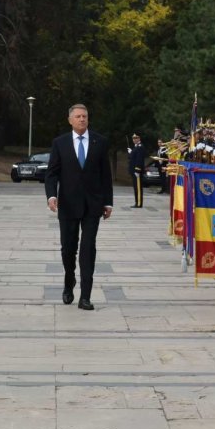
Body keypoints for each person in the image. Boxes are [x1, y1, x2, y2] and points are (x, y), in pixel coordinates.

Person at [44, 103, 113, 310]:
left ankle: (85, 296)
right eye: (78, 116)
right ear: (70, 120)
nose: (82, 119)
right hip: (68, 204)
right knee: (68, 249)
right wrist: (51, 196)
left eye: (85, 116)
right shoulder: (60, 143)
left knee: (88, 248)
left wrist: (108, 202)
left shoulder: (100, 142)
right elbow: (52, 173)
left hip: (93, 205)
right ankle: (68, 280)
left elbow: (105, 175)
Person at [127, 133, 146, 208]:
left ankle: (138, 203)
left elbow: (139, 159)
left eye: (136, 138)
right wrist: (131, 152)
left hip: (136, 171)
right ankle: (137, 202)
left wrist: (137, 170)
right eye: (133, 138)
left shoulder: (140, 147)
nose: (134, 139)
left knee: (138, 187)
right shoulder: (136, 147)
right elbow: (132, 158)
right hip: (133, 170)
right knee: (136, 187)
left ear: (139, 138)